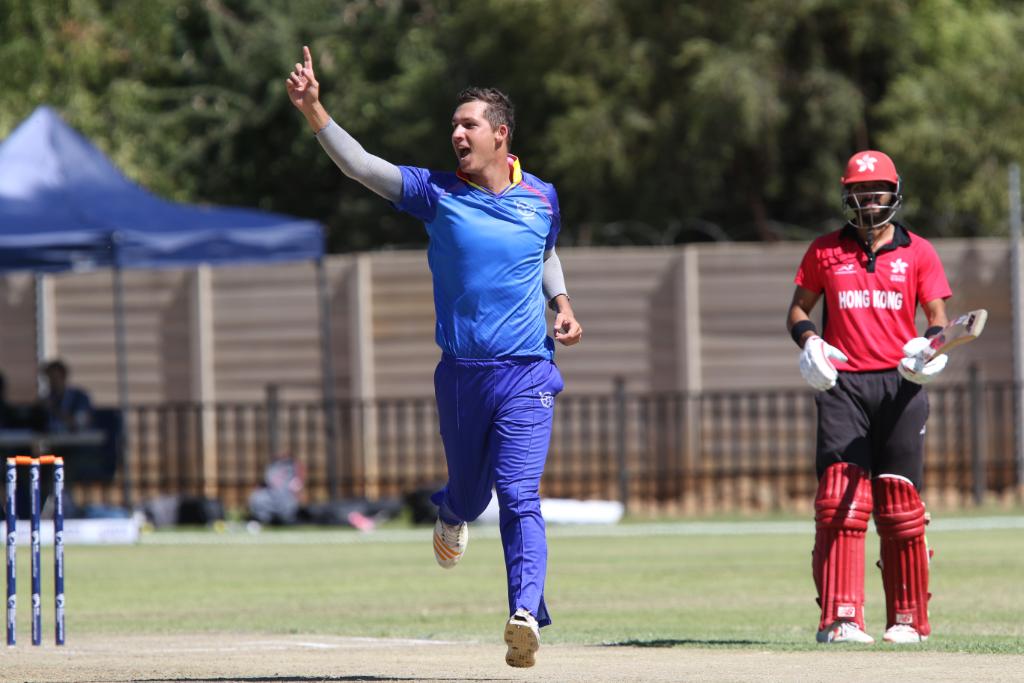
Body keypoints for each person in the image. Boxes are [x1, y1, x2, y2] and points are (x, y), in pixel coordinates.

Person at [286, 46, 582, 667]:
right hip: (462, 376)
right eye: (454, 125)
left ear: (500, 135)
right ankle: (451, 511)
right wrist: (314, 110)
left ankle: (524, 614)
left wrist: (561, 302)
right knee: (472, 498)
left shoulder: (543, 197)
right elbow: (362, 167)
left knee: (520, 495)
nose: (457, 134)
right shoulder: (437, 193)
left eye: (468, 124)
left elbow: (545, 252)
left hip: (528, 372)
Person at [787, 150, 952, 645]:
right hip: (842, 386)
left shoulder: (918, 252)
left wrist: (930, 348)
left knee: (900, 503)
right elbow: (798, 310)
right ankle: (841, 618)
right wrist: (810, 342)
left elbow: (939, 319)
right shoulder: (824, 251)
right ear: (846, 194)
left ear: (893, 194)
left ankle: (908, 620)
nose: (868, 200)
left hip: (901, 385)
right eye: (859, 191)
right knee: (840, 497)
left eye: (876, 191)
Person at [39, 359, 94, 433]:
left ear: (64, 377)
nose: (51, 382)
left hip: (77, 439)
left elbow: (80, 422)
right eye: (49, 379)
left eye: (54, 378)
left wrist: (54, 409)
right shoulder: (48, 399)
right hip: (53, 439)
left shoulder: (80, 397)